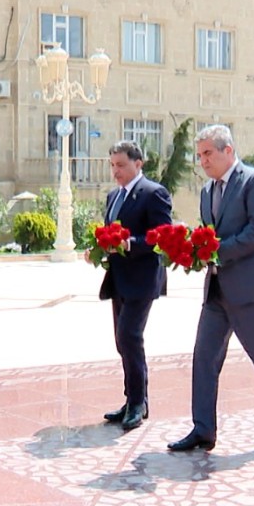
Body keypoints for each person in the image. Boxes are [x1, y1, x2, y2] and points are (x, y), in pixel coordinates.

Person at [167, 124, 254, 451]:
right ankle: (203, 430)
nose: (202, 161)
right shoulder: (206, 191)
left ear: (228, 150)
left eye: (208, 154)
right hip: (217, 289)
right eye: (199, 155)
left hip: (253, 287)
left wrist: (214, 251)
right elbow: (210, 235)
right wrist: (193, 252)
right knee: (204, 358)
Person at [98, 140, 173, 431]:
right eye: (113, 165)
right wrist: (100, 246)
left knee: (130, 336)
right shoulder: (113, 197)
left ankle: (139, 403)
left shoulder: (154, 194)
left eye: (121, 165)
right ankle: (131, 399)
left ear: (138, 163)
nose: (116, 171)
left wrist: (131, 243)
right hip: (118, 278)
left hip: (142, 278)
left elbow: (162, 236)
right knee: (122, 340)